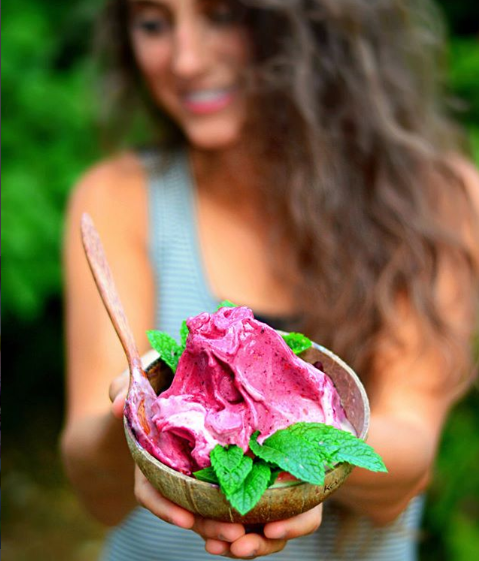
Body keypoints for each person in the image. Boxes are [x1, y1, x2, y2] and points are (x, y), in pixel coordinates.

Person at [61, 0, 479, 559]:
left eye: (225, 14)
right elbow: (96, 494)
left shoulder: (436, 202)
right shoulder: (117, 199)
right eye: (153, 23)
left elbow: (405, 468)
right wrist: (139, 426)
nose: (185, 60)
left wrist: (280, 424)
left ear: (315, 26)